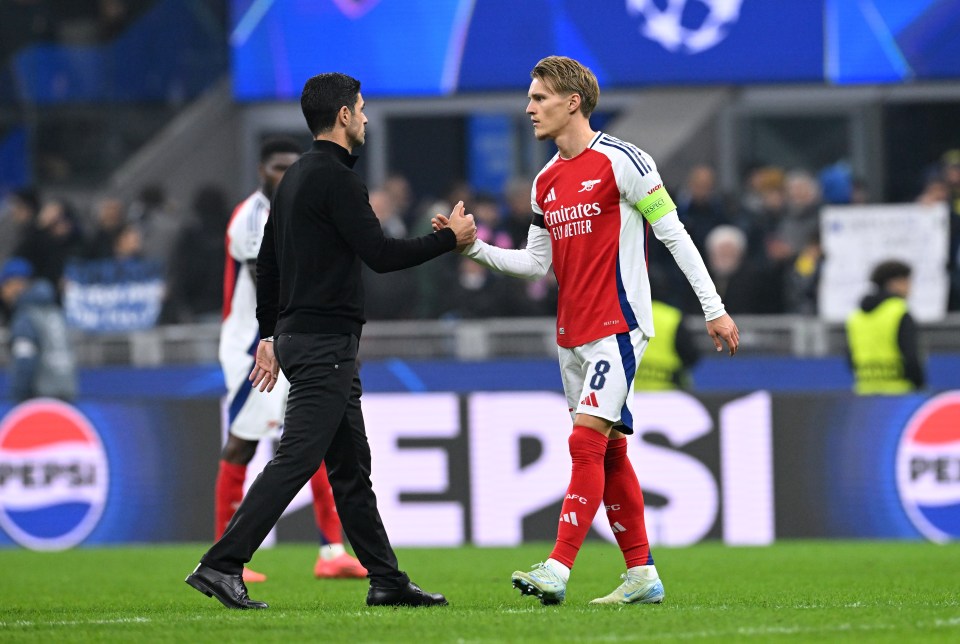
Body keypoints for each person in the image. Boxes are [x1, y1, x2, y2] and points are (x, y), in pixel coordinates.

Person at [434, 55, 738, 606]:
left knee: (584, 441)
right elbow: (534, 265)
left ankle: (558, 566)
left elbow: (674, 235)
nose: (528, 108)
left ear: (572, 101)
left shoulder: (626, 161)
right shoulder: (545, 181)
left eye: (539, 97)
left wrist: (713, 308)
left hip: (619, 324)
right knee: (611, 451)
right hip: (571, 333)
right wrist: (471, 247)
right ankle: (642, 574)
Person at [185, 72, 476, 610]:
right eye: (361, 109)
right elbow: (381, 256)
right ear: (343, 116)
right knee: (297, 458)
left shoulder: (292, 178)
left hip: (301, 339)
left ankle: (386, 579)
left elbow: (267, 264)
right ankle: (221, 563)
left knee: (349, 469)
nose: (365, 118)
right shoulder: (338, 181)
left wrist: (270, 334)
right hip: (325, 343)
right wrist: (448, 240)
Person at [214, 138, 366, 584]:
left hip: (291, 339)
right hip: (252, 347)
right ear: (261, 170)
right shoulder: (250, 217)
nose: (283, 174)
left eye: (289, 166)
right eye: (276, 167)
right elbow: (269, 281)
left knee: (309, 437)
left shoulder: (292, 207)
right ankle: (226, 551)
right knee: (243, 442)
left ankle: (332, 550)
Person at [1, 257, 77, 402]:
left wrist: (18, 399)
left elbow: (25, 360)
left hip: (38, 397)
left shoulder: (25, 318)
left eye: (4, 285)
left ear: (17, 284)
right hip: (66, 393)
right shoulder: (56, 313)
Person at [845, 260, 925, 394]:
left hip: (864, 392)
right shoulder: (899, 311)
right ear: (894, 283)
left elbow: (850, 357)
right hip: (899, 394)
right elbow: (911, 356)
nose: (910, 288)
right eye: (907, 281)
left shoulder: (856, 316)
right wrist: (919, 385)